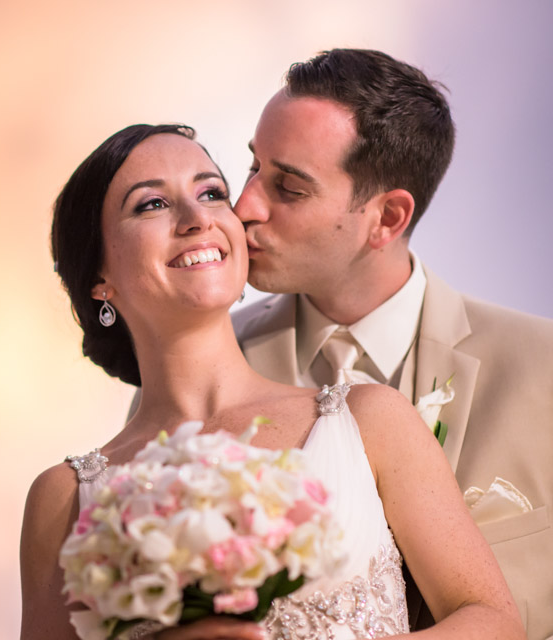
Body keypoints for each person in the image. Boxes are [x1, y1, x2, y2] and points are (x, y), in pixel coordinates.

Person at [19, 123, 525, 640]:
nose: (198, 219)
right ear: (99, 277)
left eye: (212, 193)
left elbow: (492, 621)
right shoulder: (63, 499)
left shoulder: (369, 421)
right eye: (151, 205)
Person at [232, 48, 553, 638]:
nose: (244, 205)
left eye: (289, 187)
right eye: (252, 167)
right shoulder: (208, 363)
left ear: (387, 218)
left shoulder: (544, 370)